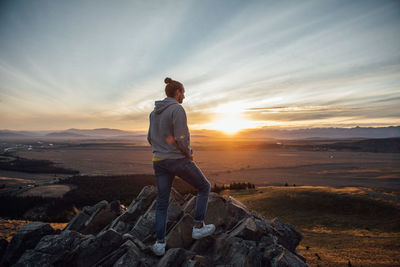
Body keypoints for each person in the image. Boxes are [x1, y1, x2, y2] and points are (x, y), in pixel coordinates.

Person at [147, 77, 215, 256]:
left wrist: (160, 150)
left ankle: (160, 244)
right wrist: (188, 153)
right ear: (177, 93)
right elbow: (180, 138)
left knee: (162, 203)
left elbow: (149, 138)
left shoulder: (153, 113)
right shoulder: (177, 109)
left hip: (159, 162)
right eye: (183, 92)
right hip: (177, 160)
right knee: (204, 186)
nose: (184, 95)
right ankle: (198, 226)